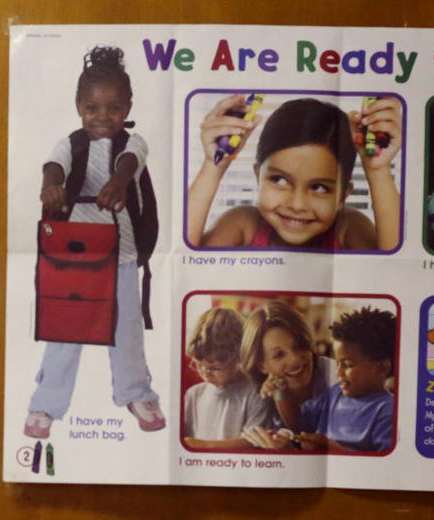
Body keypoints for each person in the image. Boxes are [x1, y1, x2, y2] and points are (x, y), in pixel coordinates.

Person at [24, 45, 164, 439]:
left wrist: (118, 183)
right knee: (66, 329)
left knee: (126, 330)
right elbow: (54, 166)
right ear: (78, 106)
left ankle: (136, 391)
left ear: (128, 106)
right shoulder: (69, 144)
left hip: (121, 254)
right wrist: (50, 186)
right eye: (92, 108)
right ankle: (46, 403)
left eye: (114, 108)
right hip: (77, 255)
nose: (103, 118)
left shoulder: (134, 144)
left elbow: (129, 164)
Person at [186, 95, 403, 251]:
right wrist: (213, 166)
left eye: (319, 188)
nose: (297, 205)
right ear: (257, 176)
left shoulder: (348, 227)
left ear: (343, 196)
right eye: (279, 180)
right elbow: (184, 258)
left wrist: (378, 171)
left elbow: (391, 269)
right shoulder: (243, 224)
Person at [296, 306, 396, 453]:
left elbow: (381, 467)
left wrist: (331, 449)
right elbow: (297, 421)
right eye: (337, 364)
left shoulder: (388, 411)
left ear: (382, 368)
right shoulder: (335, 393)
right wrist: (280, 393)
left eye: (348, 365)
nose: (338, 373)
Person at [239, 301, 336, 451]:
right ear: (261, 365)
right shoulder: (263, 392)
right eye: (278, 355)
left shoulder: (335, 376)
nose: (294, 360)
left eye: (299, 346)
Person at [182, 307, 269, 450]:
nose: (205, 373)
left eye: (215, 368)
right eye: (198, 365)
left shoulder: (257, 392)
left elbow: (255, 443)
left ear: (239, 358)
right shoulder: (194, 394)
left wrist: (204, 446)